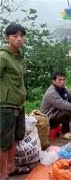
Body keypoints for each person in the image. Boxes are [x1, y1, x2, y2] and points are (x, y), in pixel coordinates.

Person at [0, 24, 30, 178]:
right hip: (6, 105)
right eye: (15, 36)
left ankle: (11, 167)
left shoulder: (19, 56)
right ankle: (2, 173)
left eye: (21, 36)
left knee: (16, 137)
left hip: (19, 103)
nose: (19, 39)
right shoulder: (3, 56)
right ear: (7, 38)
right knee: (4, 141)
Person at [41, 72, 71, 140]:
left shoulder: (63, 89)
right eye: (59, 80)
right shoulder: (51, 93)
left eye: (63, 79)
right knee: (67, 111)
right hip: (49, 118)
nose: (62, 82)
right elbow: (63, 105)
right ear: (53, 81)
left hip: (57, 112)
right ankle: (65, 132)